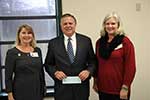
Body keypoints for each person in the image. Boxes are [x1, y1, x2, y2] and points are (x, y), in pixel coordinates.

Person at [44, 13, 96, 100]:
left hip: (81, 88)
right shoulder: (53, 43)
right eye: (65, 24)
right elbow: (48, 64)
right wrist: (55, 72)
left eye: (70, 23)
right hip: (62, 89)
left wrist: (88, 71)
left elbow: (93, 62)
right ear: (61, 26)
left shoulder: (86, 41)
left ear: (75, 25)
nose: (68, 26)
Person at [93, 12, 136, 100]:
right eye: (107, 24)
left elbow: (130, 67)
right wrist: (95, 82)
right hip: (102, 88)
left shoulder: (125, 42)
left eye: (113, 23)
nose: (110, 26)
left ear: (118, 25)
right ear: (104, 26)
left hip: (119, 90)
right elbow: (97, 64)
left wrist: (125, 88)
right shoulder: (99, 42)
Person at [5, 24, 45, 100]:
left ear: (32, 36)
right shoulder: (12, 52)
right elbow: (8, 77)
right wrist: (10, 94)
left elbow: (41, 72)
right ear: (19, 35)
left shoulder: (37, 50)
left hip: (37, 91)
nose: (26, 35)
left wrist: (43, 89)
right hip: (20, 91)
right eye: (23, 33)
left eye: (29, 33)